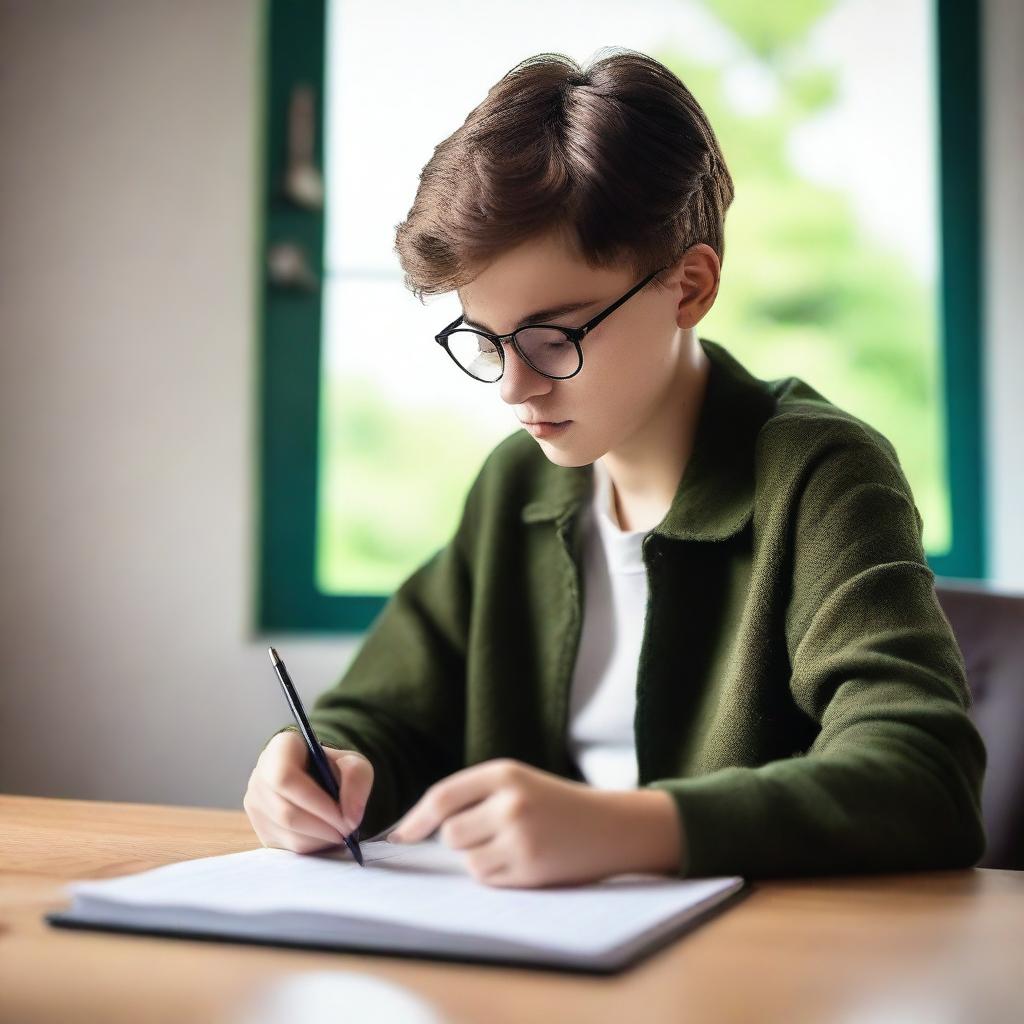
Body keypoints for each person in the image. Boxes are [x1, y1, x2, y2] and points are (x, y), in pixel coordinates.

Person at [243, 49, 987, 887]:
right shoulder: (517, 486)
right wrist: (320, 769)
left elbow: (925, 778)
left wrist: (629, 829)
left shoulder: (821, 473)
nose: (513, 387)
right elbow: (382, 713)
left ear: (689, 287)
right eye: (484, 343)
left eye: (554, 336)